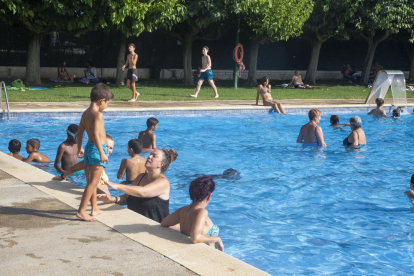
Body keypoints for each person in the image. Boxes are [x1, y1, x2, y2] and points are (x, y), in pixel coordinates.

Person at [97, 148, 178, 223]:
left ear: (161, 164)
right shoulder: (140, 177)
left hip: (155, 230)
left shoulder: (163, 182)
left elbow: (143, 192)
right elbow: (126, 198)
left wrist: (117, 186)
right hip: (134, 224)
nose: (149, 156)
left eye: (154, 156)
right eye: (150, 154)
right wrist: (111, 199)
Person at [75, 83, 114, 222]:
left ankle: (94, 208)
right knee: (93, 183)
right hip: (98, 149)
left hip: (89, 148)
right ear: (102, 100)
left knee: (91, 182)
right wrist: (102, 153)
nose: (106, 107)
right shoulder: (98, 114)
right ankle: (81, 211)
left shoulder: (85, 113)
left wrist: (79, 147)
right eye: (107, 104)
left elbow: (79, 133)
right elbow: (97, 136)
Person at [161, 176, 224, 252]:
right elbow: (195, 238)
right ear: (209, 195)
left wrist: (184, 227)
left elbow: (164, 223)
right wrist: (217, 239)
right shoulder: (201, 212)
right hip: (205, 253)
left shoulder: (182, 210)